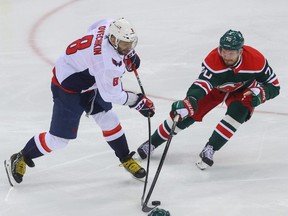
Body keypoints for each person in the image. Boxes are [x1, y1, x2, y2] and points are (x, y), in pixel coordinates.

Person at [4, 18, 155, 186]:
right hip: (68, 88)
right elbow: (112, 95)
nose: (128, 47)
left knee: (108, 119)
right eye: (125, 44)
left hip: (87, 79)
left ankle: (125, 158)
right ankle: (21, 156)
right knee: (58, 140)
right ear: (113, 40)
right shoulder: (106, 64)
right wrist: (138, 102)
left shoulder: (108, 26)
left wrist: (127, 53)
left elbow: (95, 25)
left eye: (130, 43)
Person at [137, 29, 280, 170]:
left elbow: (274, 86)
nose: (226, 56)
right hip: (215, 90)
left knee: (239, 112)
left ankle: (210, 148)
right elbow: (202, 84)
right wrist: (191, 99)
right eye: (223, 51)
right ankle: (152, 143)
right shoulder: (213, 60)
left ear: (240, 51)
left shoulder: (256, 60)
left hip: (242, 91)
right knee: (186, 112)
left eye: (230, 53)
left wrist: (261, 95)